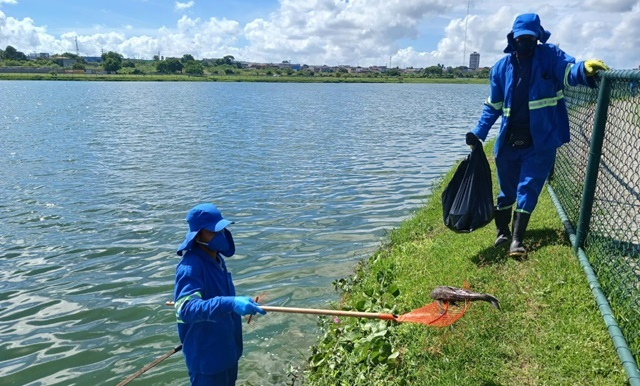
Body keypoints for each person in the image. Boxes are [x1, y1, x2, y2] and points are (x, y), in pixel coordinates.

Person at [466, 13, 608, 257]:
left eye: (530, 39)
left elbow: (568, 72)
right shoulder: (501, 68)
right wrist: (478, 132)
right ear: (513, 39)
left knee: (529, 186)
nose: (525, 43)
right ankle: (502, 232)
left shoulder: (549, 56)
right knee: (507, 189)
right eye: (521, 39)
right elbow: (493, 105)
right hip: (509, 141)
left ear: (538, 38)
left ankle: (517, 240)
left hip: (540, 141)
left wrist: (583, 70)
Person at [173, 203, 265, 385]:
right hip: (207, 361)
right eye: (213, 231)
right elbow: (186, 309)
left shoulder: (217, 259)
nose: (221, 235)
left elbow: (220, 297)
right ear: (198, 235)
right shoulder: (190, 267)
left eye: (222, 229)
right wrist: (230, 303)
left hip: (227, 353)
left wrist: (237, 303)